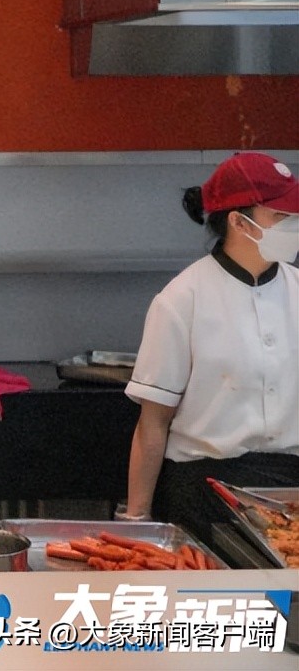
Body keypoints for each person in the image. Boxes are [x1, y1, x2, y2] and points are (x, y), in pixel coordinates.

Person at [120, 151, 299, 545]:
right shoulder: (182, 299)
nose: (294, 226)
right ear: (239, 222)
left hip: (290, 490)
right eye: (282, 218)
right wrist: (138, 523)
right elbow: (153, 425)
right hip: (204, 493)